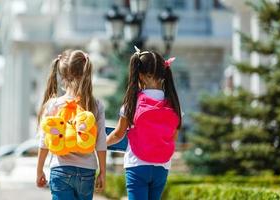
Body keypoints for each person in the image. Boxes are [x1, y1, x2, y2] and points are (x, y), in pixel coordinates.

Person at [106, 47, 182, 200]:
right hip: (162, 166)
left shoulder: (131, 104)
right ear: (163, 73)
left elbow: (118, 134)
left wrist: (101, 142)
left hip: (137, 164)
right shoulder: (174, 106)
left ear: (139, 75)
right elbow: (173, 138)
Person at [36, 49, 106, 200]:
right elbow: (100, 142)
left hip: (60, 168)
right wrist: (103, 172)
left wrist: (39, 170)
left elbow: (44, 142)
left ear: (62, 75)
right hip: (87, 171)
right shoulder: (95, 105)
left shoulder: (53, 105)